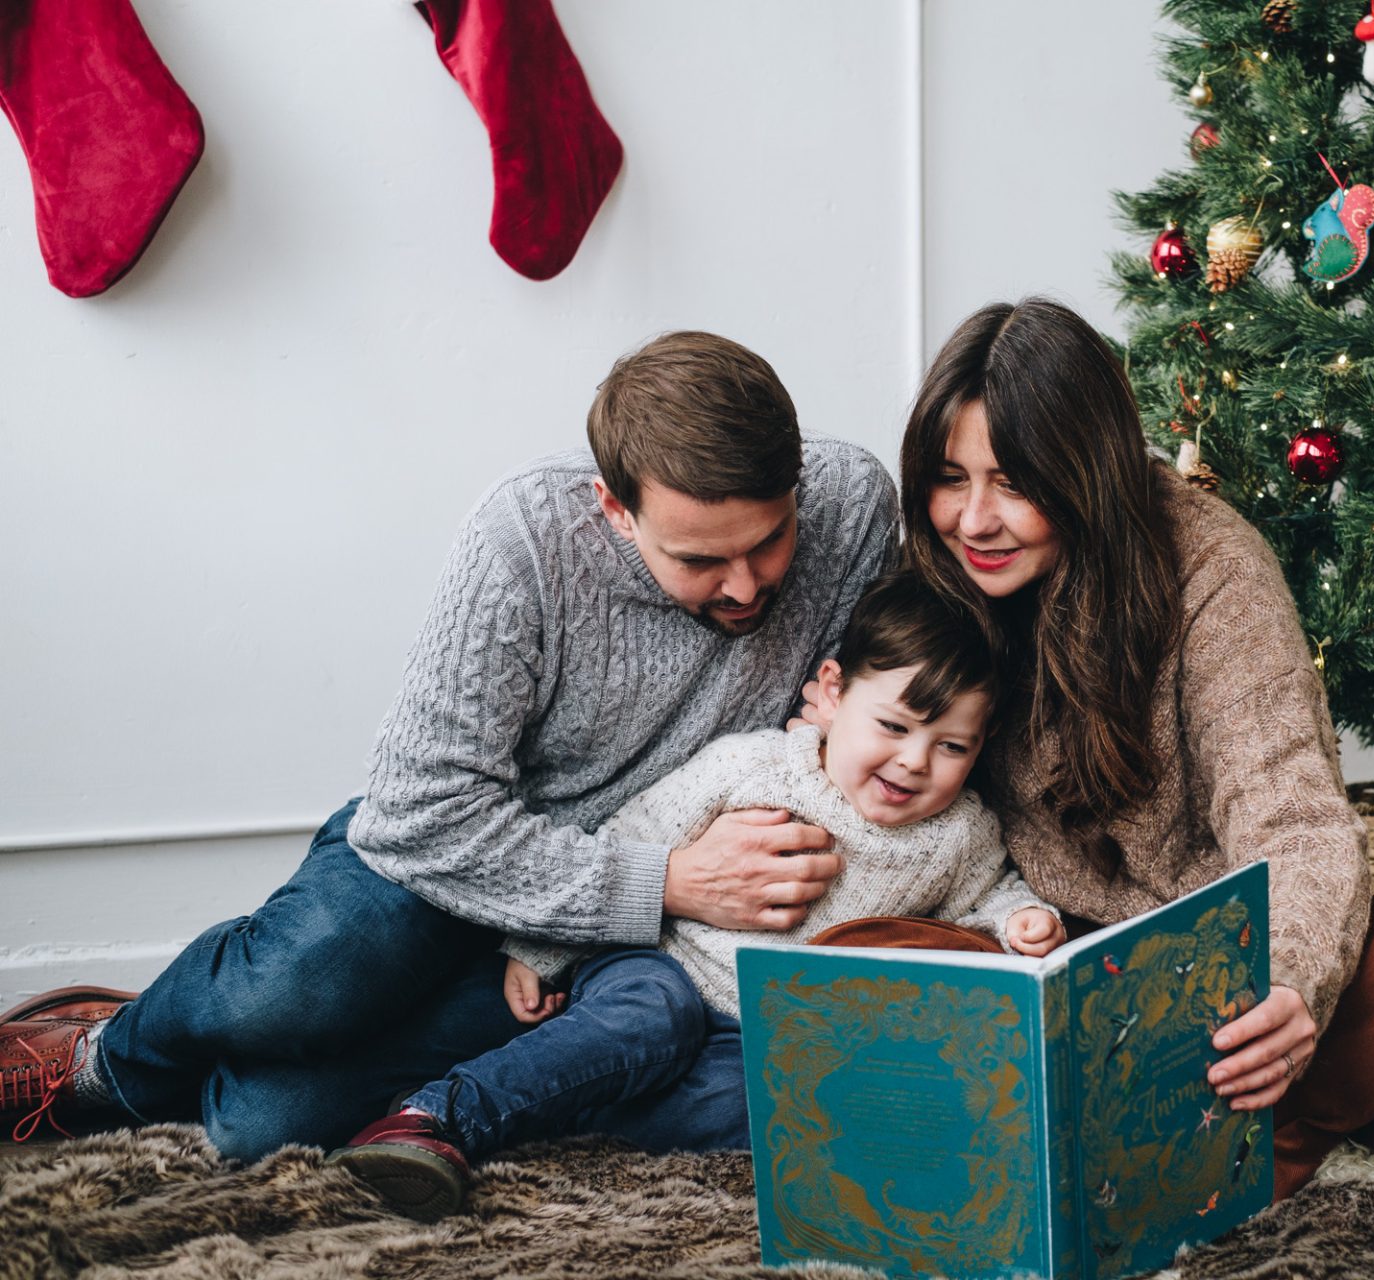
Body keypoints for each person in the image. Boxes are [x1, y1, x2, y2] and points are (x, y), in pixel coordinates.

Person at [1, 331, 895, 1158]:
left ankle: (240, 1033)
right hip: (453, 865)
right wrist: (662, 880)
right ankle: (102, 1056)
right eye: (700, 560)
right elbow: (421, 813)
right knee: (293, 989)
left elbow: (866, 705)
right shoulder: (527, 539)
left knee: (262, 1127)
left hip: (617, 935)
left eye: (769, 541)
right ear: (615, 510)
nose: (746, 584)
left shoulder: (850, 508)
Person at [880, 298, 1374, 1200]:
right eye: (950, 478)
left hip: (1212, 969)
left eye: (1015, 483)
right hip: (1042, 952)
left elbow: (1292, 814)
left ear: (1085, 472)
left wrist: (1288, 988)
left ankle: (1252, 1148)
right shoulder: (938, 570)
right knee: (878, 949)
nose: (974, 519)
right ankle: (1288, 1119)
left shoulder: (1214, 570)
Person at [325, 571, 1067, 1220]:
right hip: (662, 967)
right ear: (834, 694)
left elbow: (987, 898)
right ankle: (439, 1117)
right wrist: (542, 948)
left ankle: (568, 1106)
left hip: (766, 1039)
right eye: (895, 726)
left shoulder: (961, 831)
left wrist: (1020, 920)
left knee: (787, 1105)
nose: (914, 761)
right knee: (655, 1017)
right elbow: (631, 837)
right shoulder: (752, 768)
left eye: (951, 746)